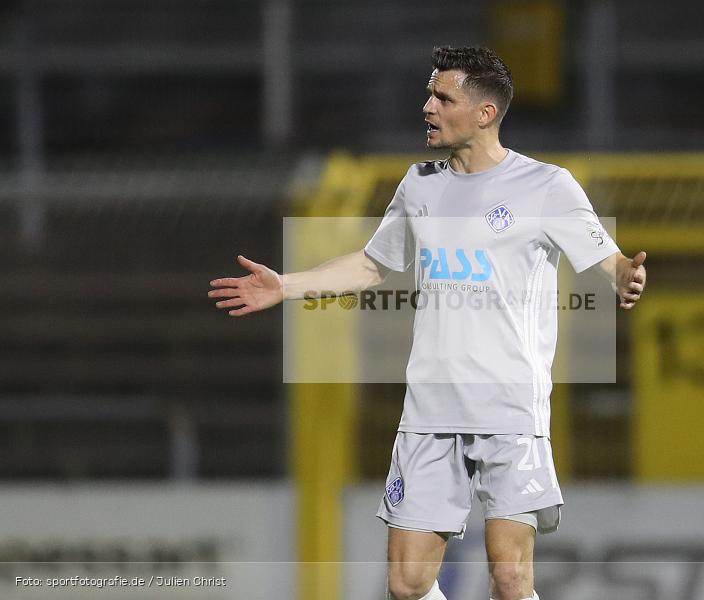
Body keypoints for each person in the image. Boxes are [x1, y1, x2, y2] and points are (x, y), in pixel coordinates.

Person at [209, 46, 646, 600]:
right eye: (429, 94)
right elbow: (372, 264)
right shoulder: (420, 184)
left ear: (485, 113)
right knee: (407, 584)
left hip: (509, 408)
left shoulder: (546, 186)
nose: (427, 107)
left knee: (510, 579)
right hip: (429, 410)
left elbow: (607, 260)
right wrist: (286, 284)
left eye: (443, 97)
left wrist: (625, 276)